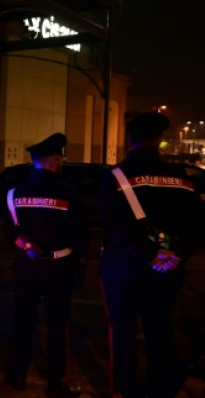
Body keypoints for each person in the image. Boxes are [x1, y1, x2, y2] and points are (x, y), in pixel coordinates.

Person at [99, 111, 203, 398]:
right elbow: (198, 225)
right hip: (167, 271)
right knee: (160, 330)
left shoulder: (116, 176)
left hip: (124, 269)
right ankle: (160, 388)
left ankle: (126, 389)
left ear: (130, 140)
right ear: (159, 139)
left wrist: (147, 254)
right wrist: (175, 254)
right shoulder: (182, 177)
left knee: (123, 333)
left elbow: (114, 223)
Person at [3, 132, 89, 396]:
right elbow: (80, 236)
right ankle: (56, 382)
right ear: (53, 160)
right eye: (60, 158)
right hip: (59, 268)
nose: (61, 162)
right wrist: (79, 266)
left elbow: (10, 232)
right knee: (57, 326)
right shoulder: (68, 194)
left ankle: (16, 374)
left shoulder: (14, 193)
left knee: (22, 320)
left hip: (27, 266)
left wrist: (28, 248)